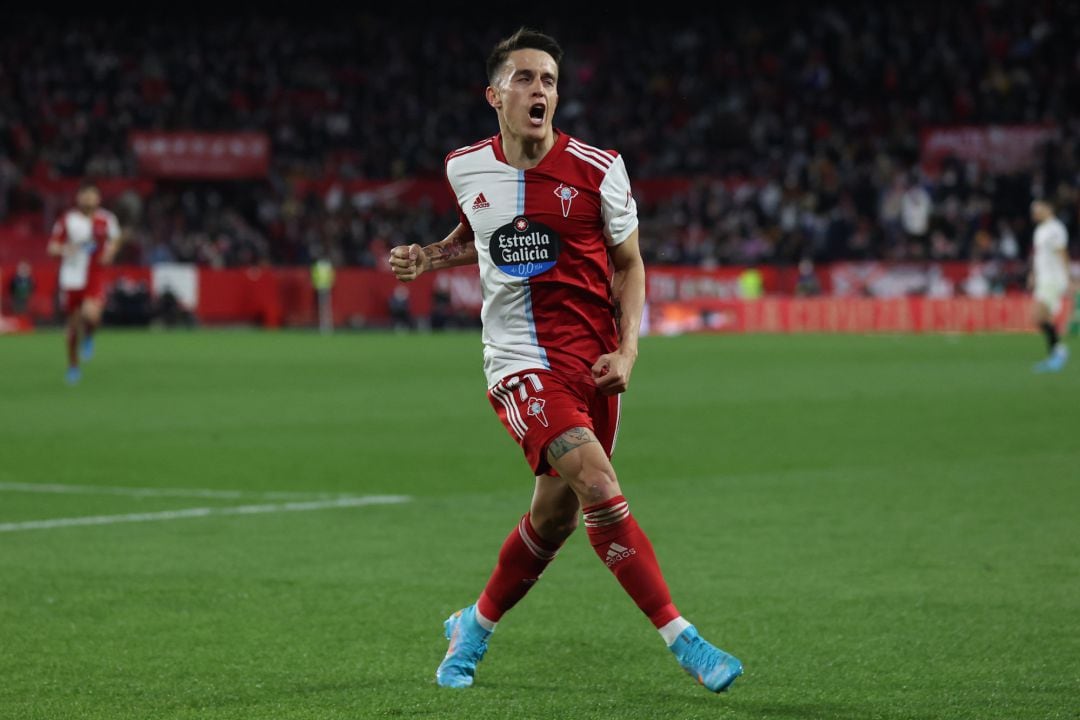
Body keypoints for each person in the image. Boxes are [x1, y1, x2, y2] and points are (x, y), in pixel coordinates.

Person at [389, 28, 742, 694]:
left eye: (548, 80)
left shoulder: (600, 169)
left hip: (594, 363)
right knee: (601, 487)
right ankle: (685, 639)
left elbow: (632, 264)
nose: (539, 90)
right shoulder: (464, 166)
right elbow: (481, 235)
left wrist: (629, 348)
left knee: (554, 518)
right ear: (495, 94)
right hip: (518, 361)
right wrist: (429, 257)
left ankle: (475, 625)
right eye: (524, 78)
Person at [47, 181, 122, 384]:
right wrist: (65, 250)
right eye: (85, 195)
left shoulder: (107, 219)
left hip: (95, 275)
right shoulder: (68, 220)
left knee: (92, 314)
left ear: (98, 198)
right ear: (78, 198)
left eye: (92, 195)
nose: (89, 199)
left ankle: (89, 335)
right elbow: (52, 247)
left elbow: (115, 239)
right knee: (72, 327)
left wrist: (110, 252)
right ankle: (73, 366)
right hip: (71, 277)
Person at [1028, 199, 1070, 372]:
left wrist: (1069, 278)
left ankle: (1058, 354)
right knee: (1040, 318)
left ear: (1048, 208)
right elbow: (1040, 256)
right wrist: (1034, 274)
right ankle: (1057, 353)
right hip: (1043, 279)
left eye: (1037, 209)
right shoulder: (1040, 230)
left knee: (1039, 315)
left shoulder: (1055, 229)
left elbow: (1062, 253)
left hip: (1053, 279)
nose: (1034, 213)